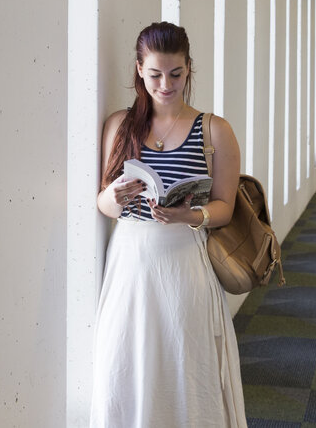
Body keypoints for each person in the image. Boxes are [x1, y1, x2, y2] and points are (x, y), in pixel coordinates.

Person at [89, 21, 247, 428]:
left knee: (185, 366)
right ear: (139, 69)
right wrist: (116, 197)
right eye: (155, 74)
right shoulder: (120, 125)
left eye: (176, 74)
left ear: (189, 69)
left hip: (184, 262)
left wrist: (190, 215)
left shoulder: (214, 129)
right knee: (125, 363)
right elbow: (103, 201)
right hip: (129, 263)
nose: (165, 84)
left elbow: (225, 208)